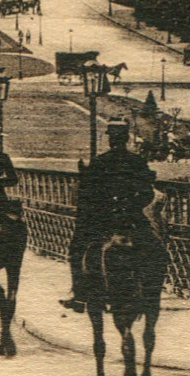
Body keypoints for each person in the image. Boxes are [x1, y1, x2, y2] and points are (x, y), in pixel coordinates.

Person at [64, 119, 155, 311]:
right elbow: (148, 194)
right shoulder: (137, 162)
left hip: (104, 220)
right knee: (156, 248)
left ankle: (80, 297)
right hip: (132, 218)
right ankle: (151, 291)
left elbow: (89, 196)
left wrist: (102, 210)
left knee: (77, 250)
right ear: (126, 139)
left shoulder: (99, 162)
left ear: (110, 140)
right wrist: (131, 207)